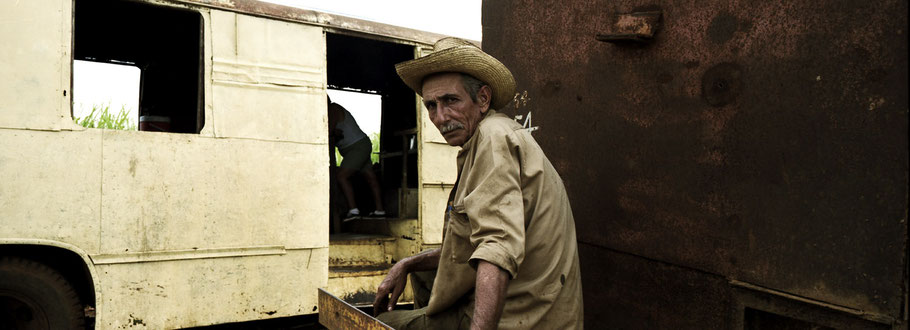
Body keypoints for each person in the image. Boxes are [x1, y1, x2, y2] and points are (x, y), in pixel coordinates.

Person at [373, 37, 583, 329]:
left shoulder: (492, 138)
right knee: (424, 275)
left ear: (482, 99)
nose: (440, 117)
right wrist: (405, 264)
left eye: (450, 101)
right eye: (431, 105)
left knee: (382, 322)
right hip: (531, 305)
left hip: (522, 317)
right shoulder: (490, 136)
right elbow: (466, 247)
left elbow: (496, 247)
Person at [327, 96, 386, 219]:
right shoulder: (331, 110)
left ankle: (353, 211)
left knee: (341, 176)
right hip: (361, 145)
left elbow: (328, 131)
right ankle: (380, 210)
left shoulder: (332, 109)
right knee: (370, 177)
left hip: (356, 148)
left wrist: (333, 133)